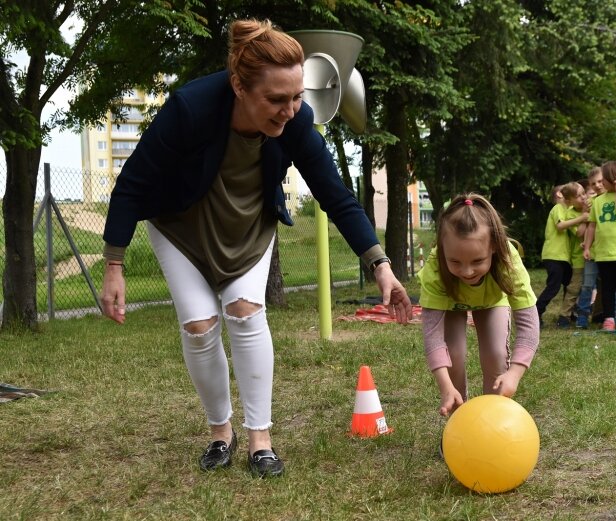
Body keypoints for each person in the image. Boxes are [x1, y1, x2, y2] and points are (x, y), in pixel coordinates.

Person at [100, 19, 412, 478]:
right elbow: (132, 185)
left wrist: (380, 266)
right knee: (199, 326)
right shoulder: (190, 108)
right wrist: (114, 265)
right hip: (180, 228)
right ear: (238, 87)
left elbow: (336, 195)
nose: (289, 110)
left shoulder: (297, 122)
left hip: (248, 228)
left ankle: (259, 440)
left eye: (297, 96)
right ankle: (219, 433)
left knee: (246, 312)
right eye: (276, 99)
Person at [417, 193, 539, 418]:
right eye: (455, 261)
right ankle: (458, 426)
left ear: (493, 247)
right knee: (454, 354)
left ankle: (492, 423)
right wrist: (445, 387)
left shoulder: (508, 262)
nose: (466, 271)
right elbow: (433, 336)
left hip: (492, 302)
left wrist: (514, 373)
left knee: (495, 354)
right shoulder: (435, 268)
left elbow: (529, 326)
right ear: (442, 249)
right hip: (452, 304)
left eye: (477, 261)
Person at [582, 161, 616, 331]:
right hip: (603, 253)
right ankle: (609, 319)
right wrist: (587, 247)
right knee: (606, 287)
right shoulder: (597, 202)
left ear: (615, 179)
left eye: (604, 179)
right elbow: (592, 225)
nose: (601, 183)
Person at [535, 185, 580, 327]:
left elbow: (576, 232)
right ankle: (536, 312)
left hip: (564, 258)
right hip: (554, 255)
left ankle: (569, 312)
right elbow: (561, 226)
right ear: (561, 195)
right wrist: (582, 218)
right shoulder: (558, 208)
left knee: (570, 286)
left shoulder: (568, 211)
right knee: (553, 286)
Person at [575, 167, 605, 328]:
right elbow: (587, 229)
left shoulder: (612, 200)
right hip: (592, 253)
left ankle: (608, 317)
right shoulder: (591, 203)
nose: (598, 185)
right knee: (587, 285)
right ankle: (582, 318)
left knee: (607, 286)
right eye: (594, 183)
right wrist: (586, 246)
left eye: (600, 181)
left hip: (608, 253)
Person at [556, 182, 590, 328]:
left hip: (598, 254)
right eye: (578, 196)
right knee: (574, 288)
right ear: (569, 201)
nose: (583, 197)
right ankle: (564, 316)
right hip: (579, 257)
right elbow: (579, 233)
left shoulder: (591, 205)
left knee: (595, 286)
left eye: (584, 193)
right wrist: (585, 215)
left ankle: (598, 314)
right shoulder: (570, 213)